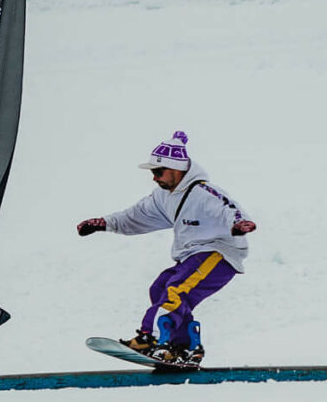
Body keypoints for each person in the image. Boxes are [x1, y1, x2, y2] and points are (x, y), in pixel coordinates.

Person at [77, 131, 256, 368]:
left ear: (176, 169)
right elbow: (136, 216)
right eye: (152, 172)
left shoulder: (204, 193)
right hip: (192, 256)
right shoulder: (163, 197)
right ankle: (182, 347)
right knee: (159, 287)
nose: (154, 177)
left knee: (175, 291)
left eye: (158, 172)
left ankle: (149, 338)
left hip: (219, 254)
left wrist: (239, 223)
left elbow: (228, 208)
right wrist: (104, 223)